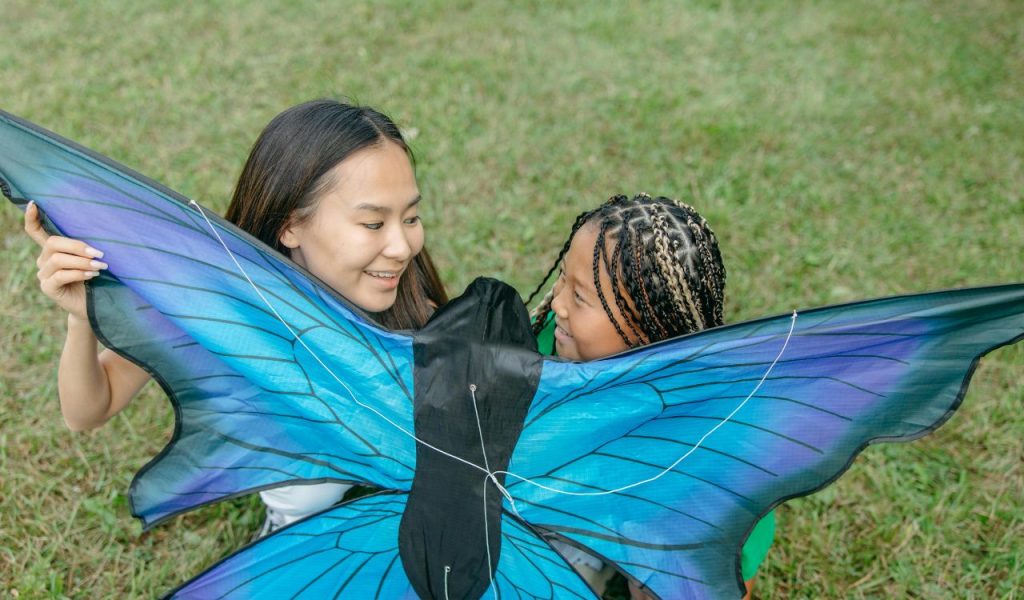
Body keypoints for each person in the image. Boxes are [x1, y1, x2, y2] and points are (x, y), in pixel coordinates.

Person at [22, 99, 448, 535]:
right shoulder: (216, 306)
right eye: (373, 224)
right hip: (306, 533)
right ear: (290, 226)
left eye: (411, 217)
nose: (402, 247)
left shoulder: (424, 323)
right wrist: (83, 320)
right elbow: (88, 412)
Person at [526, 193, 773, 600]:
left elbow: (734, 557)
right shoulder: (546, 345)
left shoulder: (711, 436)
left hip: (655, 521)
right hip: (572, 508)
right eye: (563, 279)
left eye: (580, 296)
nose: (558, 303)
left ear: (645, 331)